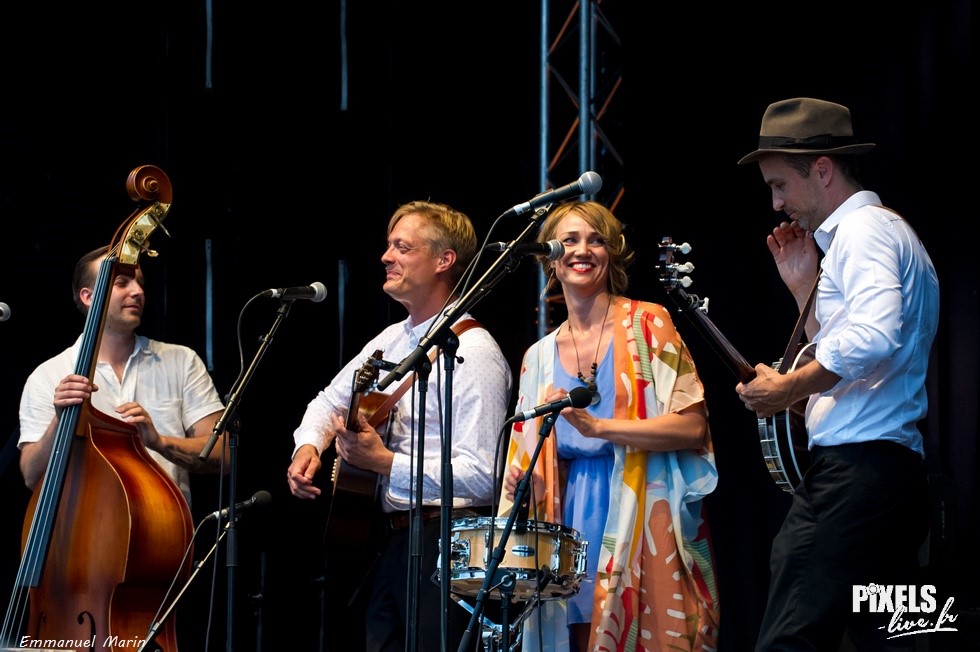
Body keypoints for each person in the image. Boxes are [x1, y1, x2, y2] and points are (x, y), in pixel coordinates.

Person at [735, 97, 940, 650]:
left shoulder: (863, 230)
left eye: (780, 184)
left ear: (822, 170)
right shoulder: (887, 230)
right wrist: (806, 289)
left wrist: (788, 387)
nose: (777, 203)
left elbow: (873, 335)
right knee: (890, 642)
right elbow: (863, 344)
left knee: (789, 640)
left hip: (854, 480)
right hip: (892, 481)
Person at [286, 200, 513, 651]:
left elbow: (484, 475)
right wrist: (308, 446)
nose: (386, 257)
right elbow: (327, 402)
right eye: (389, 246)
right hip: (393, 541)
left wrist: (387, 463)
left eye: (402, 247)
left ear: (444, 260)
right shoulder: (393, 338)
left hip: (449, 544)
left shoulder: (475, 353)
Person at [500, 200, 720, 651]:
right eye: (569, 240)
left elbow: (692, 428)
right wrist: (525, 481)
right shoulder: (537, 357)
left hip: (642, 513)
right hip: (568, 522)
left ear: (612, 253)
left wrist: (600, 428)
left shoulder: (648, 322)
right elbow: (524, 461)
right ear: (550, 259)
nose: (583, 250)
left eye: (596, 239)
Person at [18, 245, 229, 507]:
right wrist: (59, 423)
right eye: (122, 282)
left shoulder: (181, 361)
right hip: (86, 528)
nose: (138, 291)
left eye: (140, 282)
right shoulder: (48, 375)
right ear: (88, 297)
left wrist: (160, 442)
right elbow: (32, 476)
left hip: (166, 527)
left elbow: (224, 454)